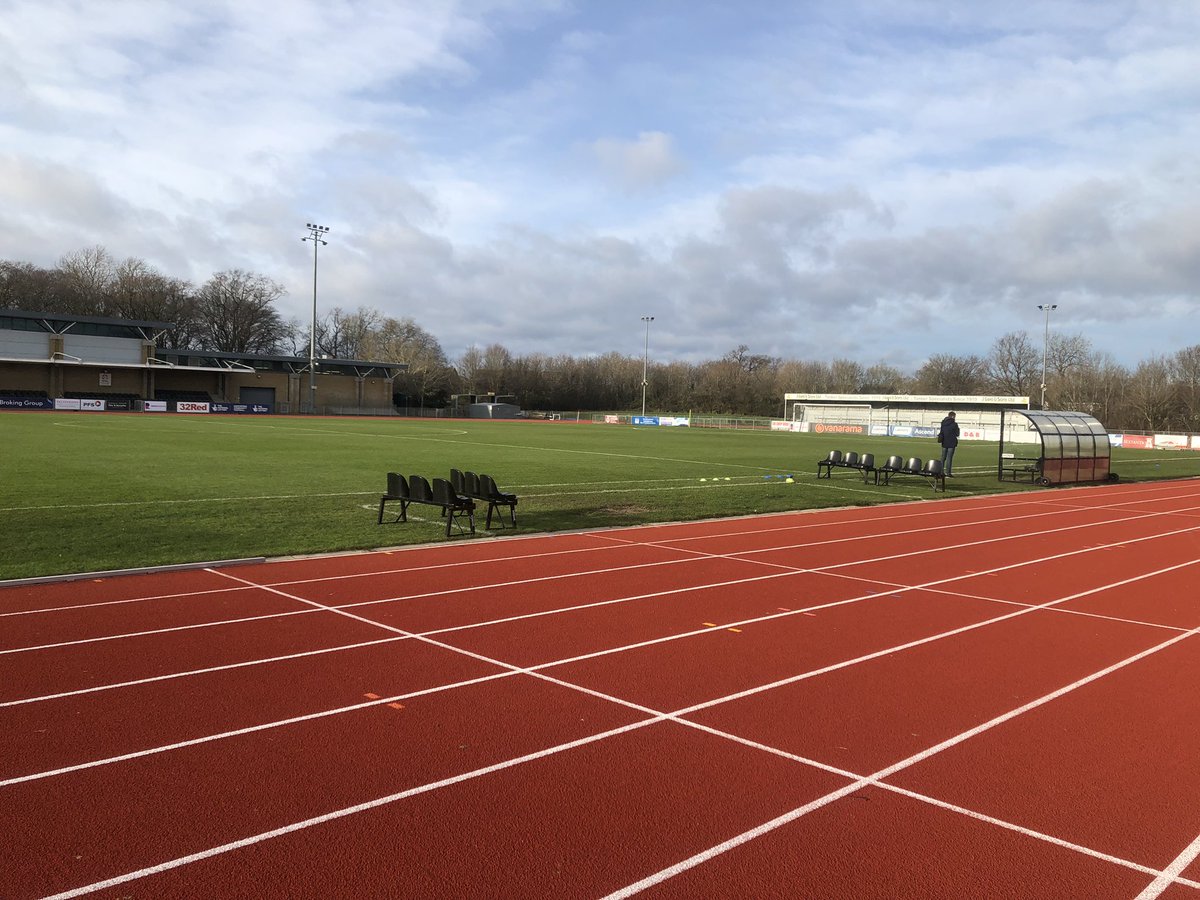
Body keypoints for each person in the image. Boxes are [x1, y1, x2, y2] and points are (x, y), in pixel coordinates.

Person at [937, 411, 960, 477]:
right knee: (949, 458)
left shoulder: (943, 423)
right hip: (951, 442)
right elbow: (957, 434)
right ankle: (948, 473)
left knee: (942, 458)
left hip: (944, 442)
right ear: (953, 416)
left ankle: (941, 472)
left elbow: (941, 432)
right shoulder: (954, 424)